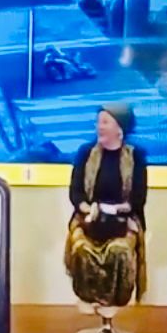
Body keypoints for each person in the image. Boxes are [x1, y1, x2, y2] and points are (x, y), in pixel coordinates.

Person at [65, 103, 148, 311]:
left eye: (105, 122)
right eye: (98, 122)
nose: (99, 127)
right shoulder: (86, 153)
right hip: (88, 218)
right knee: (82, 248)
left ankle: (114, 303)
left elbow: (138, 198)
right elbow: (75, 193)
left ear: (120, 128)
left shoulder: (135, 156)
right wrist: (88, 209)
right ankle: (88, 298)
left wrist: (117, 210)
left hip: (124, 220)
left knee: (119, 251)